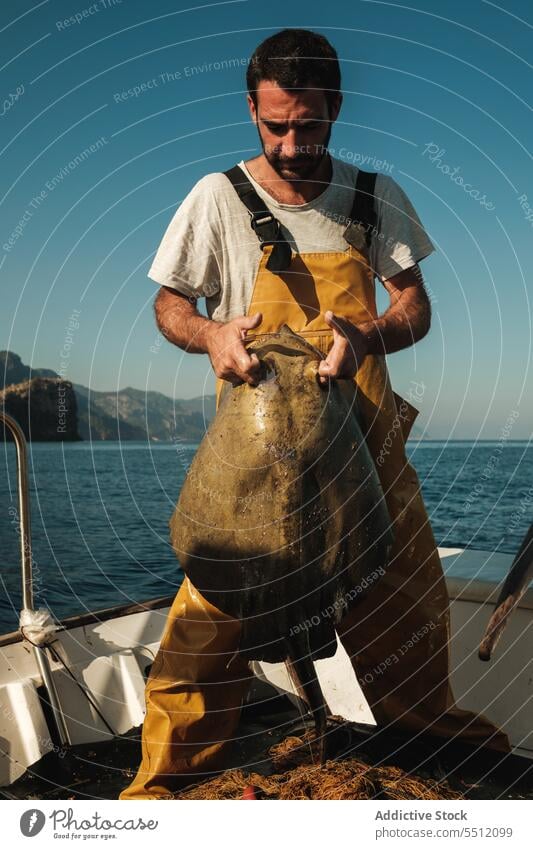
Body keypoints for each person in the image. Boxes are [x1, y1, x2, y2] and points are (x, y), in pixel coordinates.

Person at [120, 28, 510, 800]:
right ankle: (161, 787)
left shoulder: (375, 198)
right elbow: (171, 304)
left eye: (310, 123)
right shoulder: (215, 197)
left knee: (408, 606)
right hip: (254, 450)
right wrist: (209, 335)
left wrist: (368, 333)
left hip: (363, 433)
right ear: (252, 110)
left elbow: (413, 308)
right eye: (276, 125)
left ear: (335, 107)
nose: (293, 143)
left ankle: (441, 761)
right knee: (206, 624)